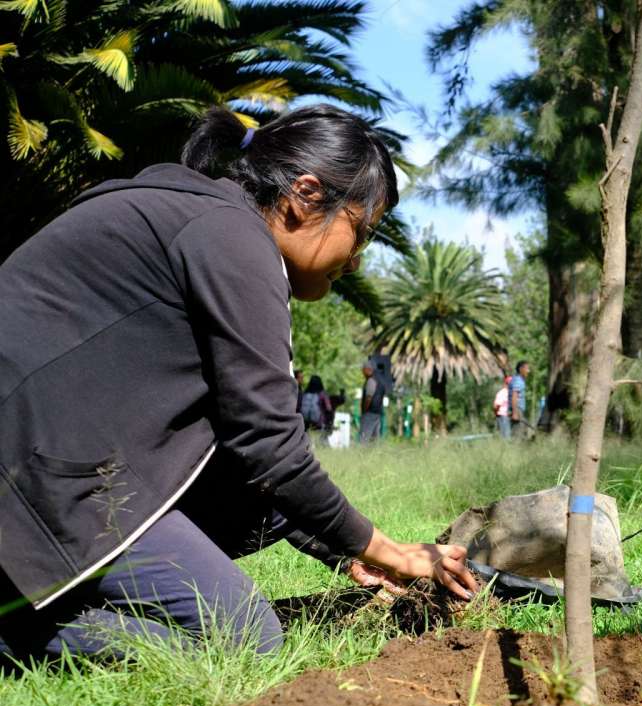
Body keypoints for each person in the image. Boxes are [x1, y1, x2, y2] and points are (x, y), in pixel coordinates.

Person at [0, 104, 478, 663]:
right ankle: (15, 633)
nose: (355, 262)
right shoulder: (232, 238)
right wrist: (387, 548)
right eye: (362, 231)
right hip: (36, 474)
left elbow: (246, 453)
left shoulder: (204, 217)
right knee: (248, 639)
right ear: (305, 194)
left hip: (50, 459)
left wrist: (345, 551)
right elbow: (270, 444)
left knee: (260, 515)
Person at [359, 360, 385, 443]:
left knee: (364, 437)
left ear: (368, 369)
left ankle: (362, 455)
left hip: (370, 413)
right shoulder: (380, 381)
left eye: (363, 369)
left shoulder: (371, 381)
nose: (362, 372)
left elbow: (369, 398)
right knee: (374, 439)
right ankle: (373, 455)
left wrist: (364, 410)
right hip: (378, 413)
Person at [508, 361, 531, 439]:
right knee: (518, 434)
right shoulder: (518, 380)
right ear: (521, 369)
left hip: (517, 410)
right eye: (527, 369)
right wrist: (515, 413)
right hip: (517, 410)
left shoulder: (516, 379)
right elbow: (514, 396)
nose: (528, 371)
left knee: (520, 432)